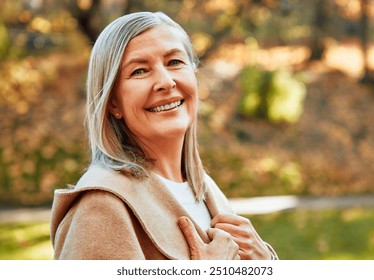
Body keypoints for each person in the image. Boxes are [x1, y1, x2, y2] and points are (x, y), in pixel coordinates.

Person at [50, 11, 278, 260]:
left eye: (174, 62)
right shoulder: (100, 209)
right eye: (139, 71)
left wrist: (266, 263)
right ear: (113, 103)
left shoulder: (204, 190)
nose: (166, 82)